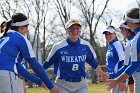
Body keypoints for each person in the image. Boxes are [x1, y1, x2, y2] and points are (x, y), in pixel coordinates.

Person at [0, 13, 59, 93]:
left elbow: (19, 68)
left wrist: (40, 82)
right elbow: (35, 65)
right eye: (27, 26)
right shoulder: (20, 38)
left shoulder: (3, 37)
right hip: (5, 75)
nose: (27, 30)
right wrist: (51, 86)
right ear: (21, 28)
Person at [43, 19, 106, 93]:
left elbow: (92, 62)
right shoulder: (58, 47)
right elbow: (46, 64)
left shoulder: (86, 45)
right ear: (66, 31)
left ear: (80, 30)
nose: (75, 31)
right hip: (63, 84)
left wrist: (102, 74)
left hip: (81, 84)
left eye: (77, 28)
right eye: (71, 28)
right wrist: (41, 79)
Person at [107, 8, 140, 93]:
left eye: (122, 29)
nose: (121, 32)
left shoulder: (134, 41)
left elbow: (133, 65)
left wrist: (117, 80)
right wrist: (111, 75)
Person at [102, 26, 126, 93]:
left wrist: (122, 80)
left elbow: (123, 62)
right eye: (106, 34)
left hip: (118, 78)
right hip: (113, 77)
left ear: (115, 34)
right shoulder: (111, 45)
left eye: (110, 33)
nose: (107, 35)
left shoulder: (117, 44)